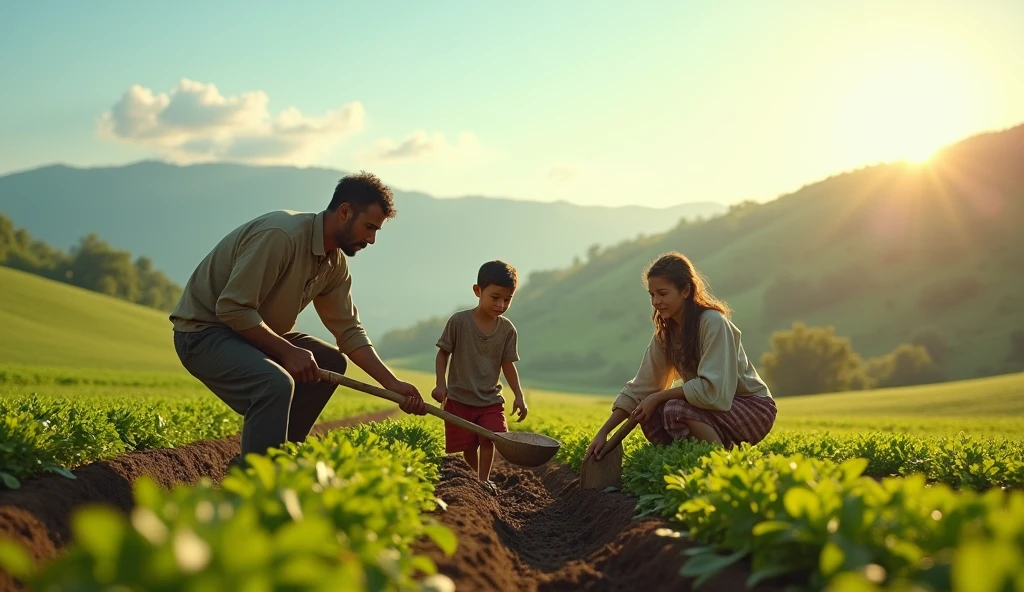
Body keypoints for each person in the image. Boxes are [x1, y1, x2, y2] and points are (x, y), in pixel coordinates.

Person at [169, 171, 427, 467]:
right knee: (274, 383)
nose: (371, 239)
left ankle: (282, 457)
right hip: (204, 334)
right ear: (344, 212)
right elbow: (232, 309)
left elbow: (348, 331)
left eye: (376, 231)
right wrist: (287, 351)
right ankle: (255, 477)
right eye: (369, 227)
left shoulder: (334, 263)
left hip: (249, 337)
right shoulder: (282, 236)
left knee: (330, 362)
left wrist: (391, 383)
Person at [585, 252, 776, 461]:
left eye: (663, 293)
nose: (656, 301)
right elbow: (640, 388)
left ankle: (721, 464)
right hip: (713, 408)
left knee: (674, 408)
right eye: (652, 295)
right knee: (649, 413)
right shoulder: (666, 336)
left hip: (750, 407)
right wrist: (604, 432)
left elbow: (714, 390)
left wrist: (658, 396)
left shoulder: (713, 323)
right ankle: (683, 461)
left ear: (685, 290)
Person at [431, 260, 528, 493]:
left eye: (507, 299)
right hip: (459, 398)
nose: (501, 304)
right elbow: (442, 354)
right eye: (495, 297)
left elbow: (508, 365)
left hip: (490, 400)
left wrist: (518, 395)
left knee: (491, 437)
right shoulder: (459, 322)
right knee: (467, 446)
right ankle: (478, 476)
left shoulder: (507, 330)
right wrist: (440, 384)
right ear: (477, 291)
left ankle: (483, 481)